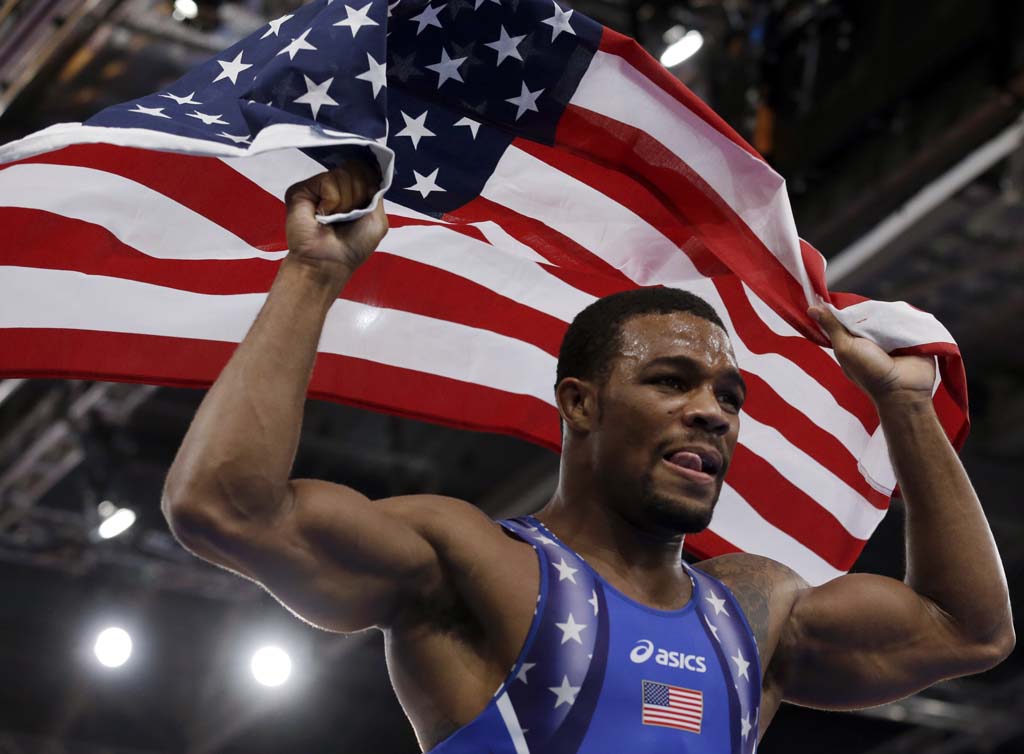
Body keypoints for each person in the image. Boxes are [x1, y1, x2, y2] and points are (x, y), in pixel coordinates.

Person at [161, 161, 1014, 753]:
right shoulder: (471, 564)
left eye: (728, 397)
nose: (711, 413)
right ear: (580, 403)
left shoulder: (756, 611)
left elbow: (970, 630)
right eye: (672, 382)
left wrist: (904, 406)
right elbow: (224, 507)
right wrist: (312, 274)